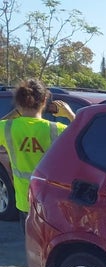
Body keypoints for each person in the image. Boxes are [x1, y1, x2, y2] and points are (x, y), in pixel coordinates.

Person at [0, 78, 75, 232]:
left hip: (25, 203)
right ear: (44, 100)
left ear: (19, 102)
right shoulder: (57, 129)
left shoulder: (7, 128)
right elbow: (87, 137)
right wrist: (69, 114)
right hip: (51, 204)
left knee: (32, 248)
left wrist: (17, 111)